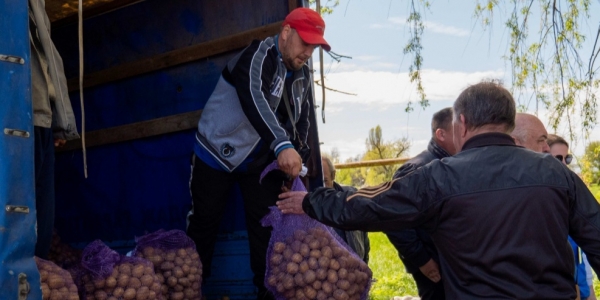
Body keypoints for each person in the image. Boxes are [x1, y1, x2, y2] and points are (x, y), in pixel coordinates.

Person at [277, 81, 600, 299]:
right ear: (508, 121)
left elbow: (365, 205)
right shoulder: (556, 172)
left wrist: (311, 201)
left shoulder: (440, 176)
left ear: (461, 123)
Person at [185, 7, 330, 299]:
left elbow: (302, 121)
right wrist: (282, 145)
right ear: (286, 33)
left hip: (258, 163)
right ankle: (190, 290)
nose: (308, 52)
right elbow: (254, 99)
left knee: (266, 228)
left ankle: (266, 293)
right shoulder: (256, 56)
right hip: (216, 153)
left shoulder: (301, 75)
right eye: (305, 42)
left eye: (314, 47)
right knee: (204, 223)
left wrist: (297, 158)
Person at [386, 107, 457, 300]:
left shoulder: (455, 166)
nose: (465, 135)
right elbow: (394, 220)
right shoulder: (416, 169)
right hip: (434, 267)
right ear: (440, 134)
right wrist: (422, 260)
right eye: (458, 129)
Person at [29, 0, 80, 259]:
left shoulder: (37, 5)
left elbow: (48, 60)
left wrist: (59, 122)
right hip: (16, 119)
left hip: (41, 119)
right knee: (18, 221)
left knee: (42, 224)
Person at [547, 134, 597, 300]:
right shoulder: (543, 207)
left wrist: (591, 293)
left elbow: (583, 258)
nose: (563, 164)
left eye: (566, 158)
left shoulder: (574, 199)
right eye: (557, 158)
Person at [321, 156, 370, 263]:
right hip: (329, 269)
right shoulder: (309, 204)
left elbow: (364, 234)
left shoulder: (351, 195)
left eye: (325, 181)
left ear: (333, 175)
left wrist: (365, 264)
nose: (322, 188)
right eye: (319, 183)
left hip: (355, 266)